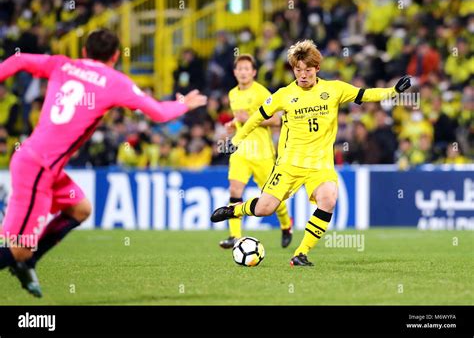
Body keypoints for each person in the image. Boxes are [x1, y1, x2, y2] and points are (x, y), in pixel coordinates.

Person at [0, 29, 207, 297]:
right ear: (116, 56)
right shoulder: (115, 82)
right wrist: (184, 106)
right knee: (18, 247)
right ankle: (24, 258)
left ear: (85, 51)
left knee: (80, 209)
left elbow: (17, 61)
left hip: (40, 162)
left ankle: (28, 262)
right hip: (39, 167)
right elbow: (158, 112)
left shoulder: (63, 63)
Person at [211, 40, 411, 266]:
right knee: (265, 208)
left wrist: (393, 91)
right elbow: (258, 116)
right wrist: (237, 139)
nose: (302, 75)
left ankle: (301, 253)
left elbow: (366, 95)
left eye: (307, 70)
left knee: (329, 199)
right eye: (298, 70)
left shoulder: (334, 89)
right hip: (289, 164)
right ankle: (235, 210)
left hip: (320, 165)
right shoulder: (284, 94)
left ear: (317, 68)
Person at [219, 54, 293, 249]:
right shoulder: (232, 94)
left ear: (253, 72)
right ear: (235, 73)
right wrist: (233, 124)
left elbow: (277, 120)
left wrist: (249, 117)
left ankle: (286, 225)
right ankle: (234, 236)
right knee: (235, 191)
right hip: (241, 151)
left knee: (274, 196)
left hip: (262, 153)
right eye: (239, 69)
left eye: (247, 69)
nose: (243, 72)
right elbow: (240, 120)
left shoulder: (261, 92)